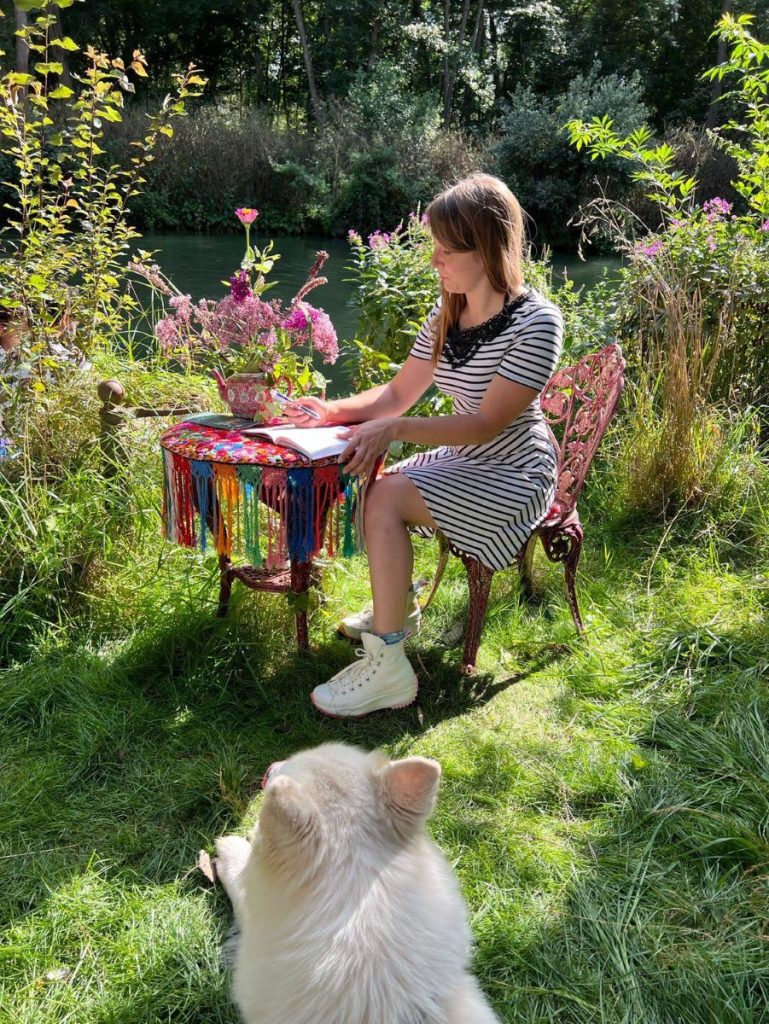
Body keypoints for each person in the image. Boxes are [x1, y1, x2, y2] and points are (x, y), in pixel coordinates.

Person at [284, 172, 564, 718]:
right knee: (374, 486)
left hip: (514, 471)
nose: (434, 260)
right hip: (468, 458)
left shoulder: (537, 322)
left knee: (386, 497)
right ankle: (397, 611)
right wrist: (333, 412)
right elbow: (398, 393)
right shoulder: (448, 314)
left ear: (486, 247)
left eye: (444, 249)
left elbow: (485, 423)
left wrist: (393, 430)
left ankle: (387, 667)